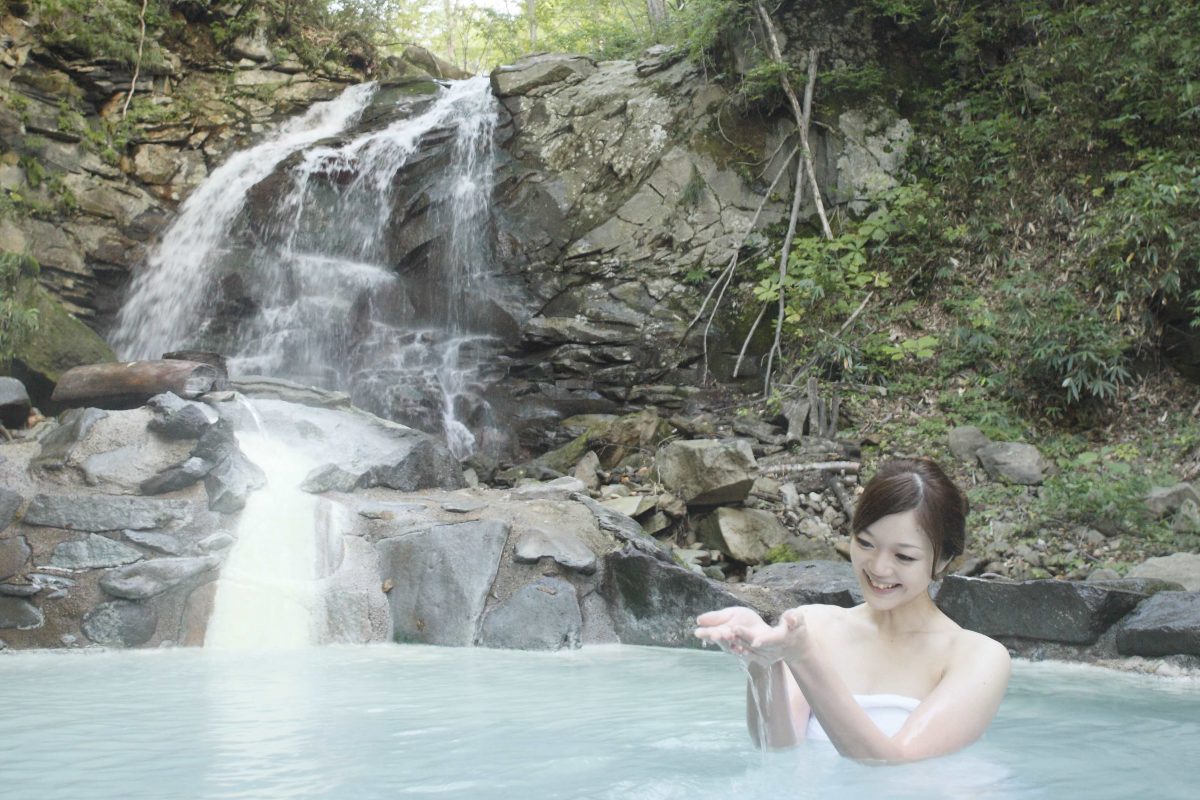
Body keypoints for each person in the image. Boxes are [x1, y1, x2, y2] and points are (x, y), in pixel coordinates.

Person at [694, 457, 1010, 763]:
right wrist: (763, 663)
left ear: (942, 561)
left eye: (904, 557)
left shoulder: (977, 657)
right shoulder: (814, 624)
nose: (878, 567)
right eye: (866, 543)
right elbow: (777, 749)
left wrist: (805, 658)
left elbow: (893, 764)